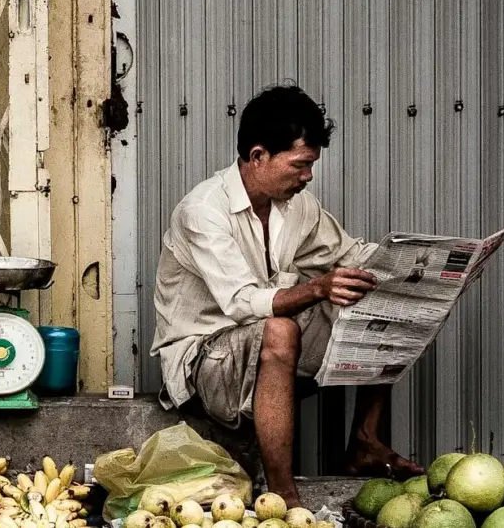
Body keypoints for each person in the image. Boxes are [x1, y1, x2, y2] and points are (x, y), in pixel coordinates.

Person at [150, 85, 423, 507]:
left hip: (264, 346)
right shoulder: (202, 211)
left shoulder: (298, 205)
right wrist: (317, 287)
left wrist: (421, 265)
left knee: (371, 294)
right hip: (203, 361)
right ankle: (283, 496)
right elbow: (243, 303)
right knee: (279, 329)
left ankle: (366, 442)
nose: (308, 176)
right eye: (300, 164)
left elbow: (351, 255)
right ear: (258, 156)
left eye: (311, 165)